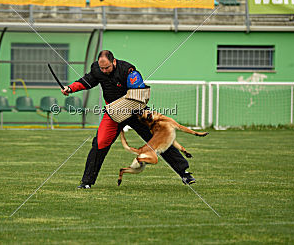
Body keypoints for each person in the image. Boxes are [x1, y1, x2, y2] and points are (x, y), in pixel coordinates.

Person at [61, 50, 195, 189]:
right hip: (113, 114)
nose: (104, 71)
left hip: (136, 112)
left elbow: (139, 92)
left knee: (159, 138)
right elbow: (86, 82)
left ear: (114, 62)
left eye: (107, 68)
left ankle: (184, 172)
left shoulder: (128, 70)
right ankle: (86, 182)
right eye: (102, 68)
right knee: (99, 143)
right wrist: (70, 88)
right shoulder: (97, 70)